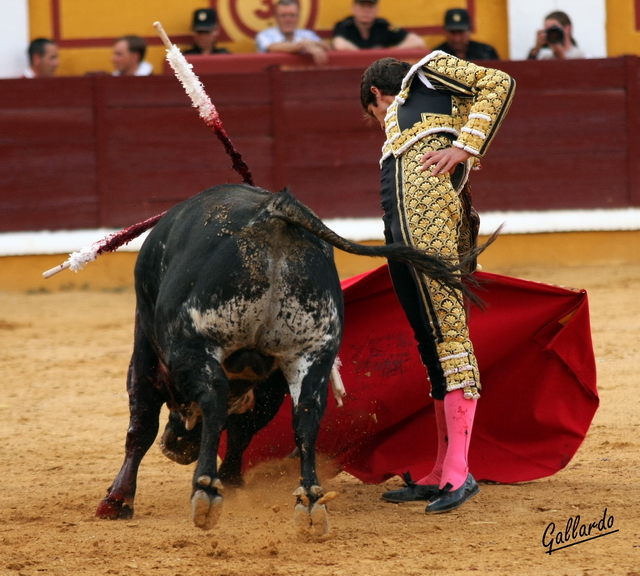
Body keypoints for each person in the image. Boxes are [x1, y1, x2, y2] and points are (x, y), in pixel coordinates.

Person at [360, 53, 515, 513]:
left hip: (423, 230)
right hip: (403, 231)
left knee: (449, 340)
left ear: (376, 96)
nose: (380, 123)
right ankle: (441, 469)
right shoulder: (426, 118)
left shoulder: (427, 70)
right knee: (431, 344)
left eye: (374, 115)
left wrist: (467, 146)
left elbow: (498, 81)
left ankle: (458, 473)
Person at [255, 0, 330, 65]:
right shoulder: (265, 35)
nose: (288, 20)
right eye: (283, 16)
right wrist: (302, 46)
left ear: (298, 16)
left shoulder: (307, 34)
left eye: (292, 15)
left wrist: (312, 43)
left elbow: (327, 47)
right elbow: (272, 48)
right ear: (276, 17)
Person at [332, 0, 425, 51]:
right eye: (362, 6)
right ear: (353, 8)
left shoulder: (385, 25)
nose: (366, 10)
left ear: (377, 10)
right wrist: (366, 57)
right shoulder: (344, 25)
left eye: (370, 6)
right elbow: (340, 45)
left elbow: (417, 41)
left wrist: (389, 53)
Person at [433, 8, 499, 60]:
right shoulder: (436, 56)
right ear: (445, 32)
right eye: (452, 33)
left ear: (469, 31)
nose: (457, 39)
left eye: (461, 33)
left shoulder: (486, 53)